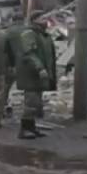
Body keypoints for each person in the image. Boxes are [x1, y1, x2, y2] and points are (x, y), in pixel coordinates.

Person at [16, 11, 57, 139]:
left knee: (36, 103)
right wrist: (39, 68)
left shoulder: (43, 35)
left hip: (40, 75)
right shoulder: (29, 34)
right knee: (31, 101)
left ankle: (32, 128)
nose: (46, 20)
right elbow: (29, 54)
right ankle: (24, 129)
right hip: (31, 74)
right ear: (35, 20)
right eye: (42, 18)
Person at [4, 11, 26, 115]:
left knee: (6, 85)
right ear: (23, 20)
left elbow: (4, 50)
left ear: (12, 20)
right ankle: (32, 109)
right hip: (28, 63)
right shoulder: (29, 30)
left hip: (12, 64)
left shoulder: (7, 32)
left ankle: (4, 105)